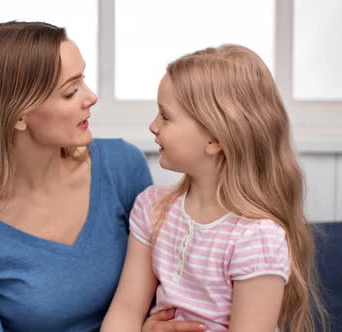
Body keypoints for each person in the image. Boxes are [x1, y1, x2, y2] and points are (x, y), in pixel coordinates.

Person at [0, 21, 206, 332]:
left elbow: (168, 285)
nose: (91, 97)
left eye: (82, 79)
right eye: (71, 91)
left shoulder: (121, 166)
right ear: (18, 115)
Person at [101, 44, 327, 332]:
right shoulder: (152, 208)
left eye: (166, 116)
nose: (153, 126)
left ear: (215, 138)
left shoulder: (256, 238)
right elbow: (125, 311)